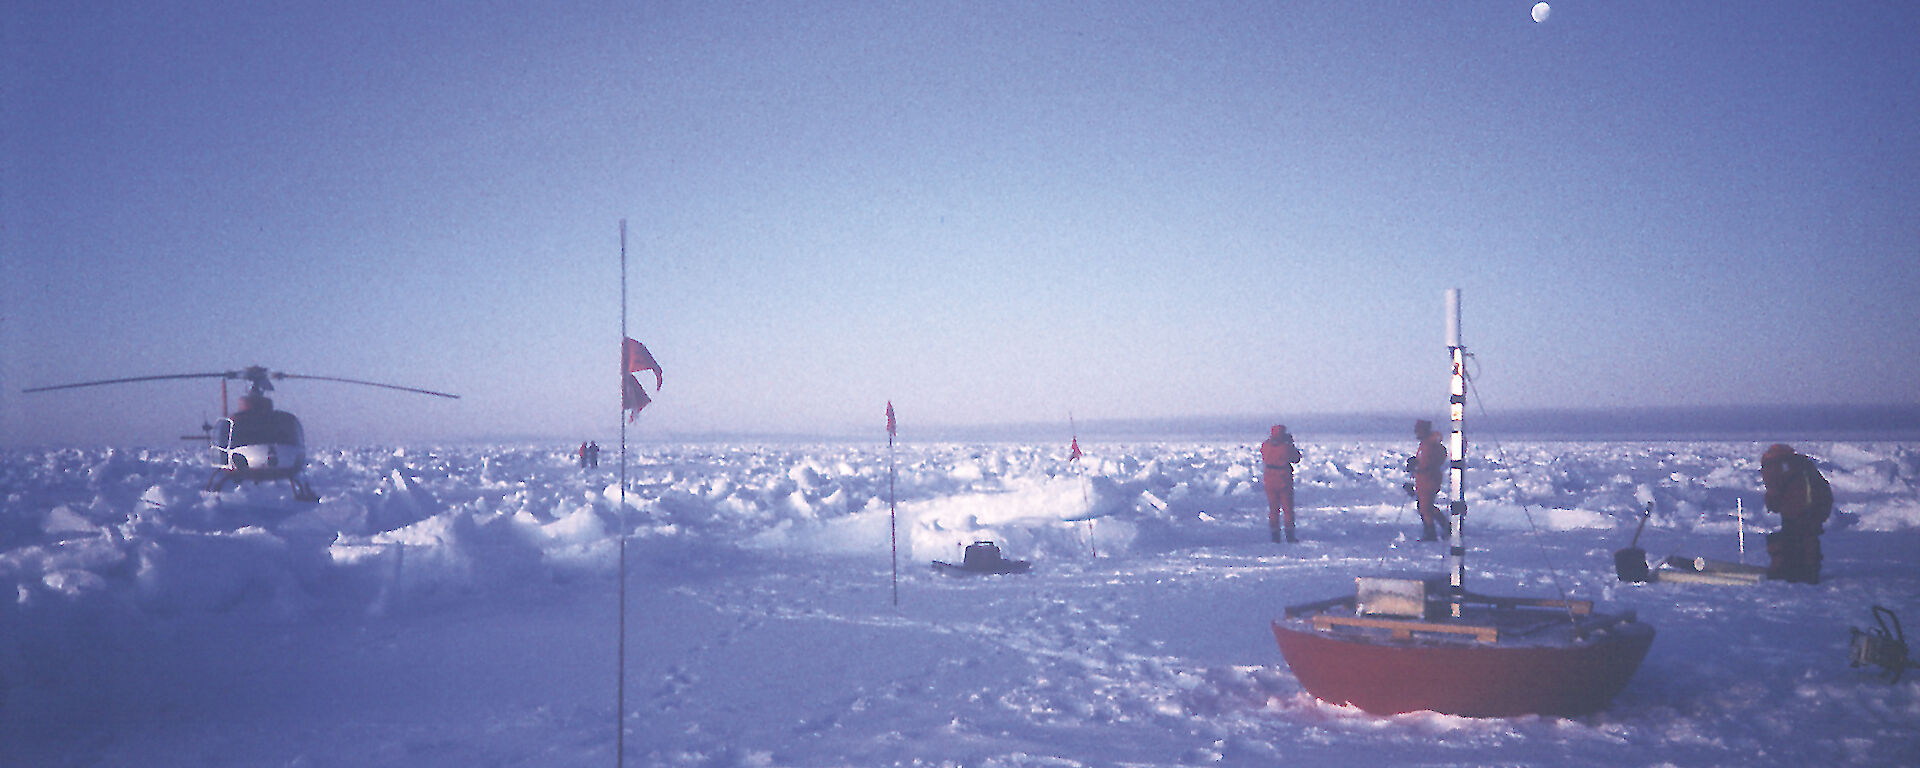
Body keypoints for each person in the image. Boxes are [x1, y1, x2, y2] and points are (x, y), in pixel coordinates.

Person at [1761, 443, 1832, 584]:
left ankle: (1793, 571)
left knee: (1793, 539)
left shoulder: (1777, 465)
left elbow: (1775, 489)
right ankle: (1807, 570)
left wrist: (1773, 504)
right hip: (1816, 507)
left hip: (1796, 509)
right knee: (1807, 538)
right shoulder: (1800, 463)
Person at [1260, 425, 1303, 542]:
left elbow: (1264, 454)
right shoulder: (1286, 447)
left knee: (1273, 508)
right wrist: (1290, 444)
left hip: (1269, 479)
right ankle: (1289, 535)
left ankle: (1275, 536)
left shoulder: (1265, 445)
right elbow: (1296, 458)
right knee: (1287, 508)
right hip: (1284, 479)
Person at [1412, 419, 1452, 542]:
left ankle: (1432, 532)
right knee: (1424, 506)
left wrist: (1416, 466)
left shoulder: (1429, 445)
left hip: (1428, 479)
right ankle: (1445, 527)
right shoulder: (1426, 444)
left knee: (1425, 507)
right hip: (1425, 479)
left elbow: (1428, 463)